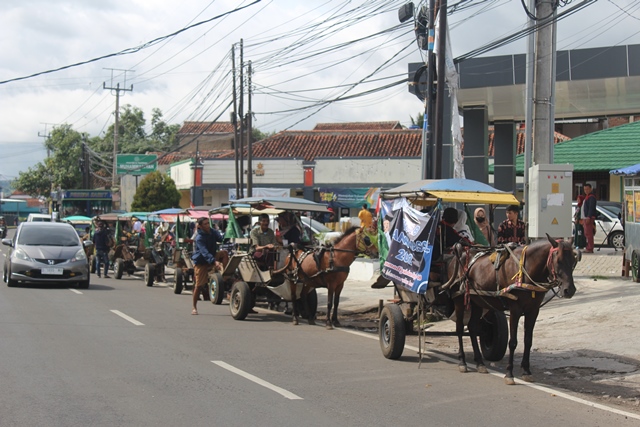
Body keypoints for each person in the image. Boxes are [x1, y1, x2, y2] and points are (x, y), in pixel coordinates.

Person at [191, 217, 224, 315]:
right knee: (199, 286)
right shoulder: (199, 238)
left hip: (212, 256)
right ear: (200, 226)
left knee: (224, 253)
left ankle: (225, 274)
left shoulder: (212, 231)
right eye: (205, 224)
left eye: (208, 223)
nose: (207, 225)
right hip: (201, 261)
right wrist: (214, 262)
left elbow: (220, 239)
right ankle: (194, 307)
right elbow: (204, 252)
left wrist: (227, 234)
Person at [581, 183, 597, 253]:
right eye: (585, 189)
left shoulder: (591, 197)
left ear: (591, 189)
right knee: (586, 233)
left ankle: (590, 248)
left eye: (587, 189)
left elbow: (591, 208)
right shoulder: (587, 197)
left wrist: (588, 217)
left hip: (588, 218)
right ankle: (588, 246)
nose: (586, 191)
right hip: (585, 217)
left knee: (589, 233)